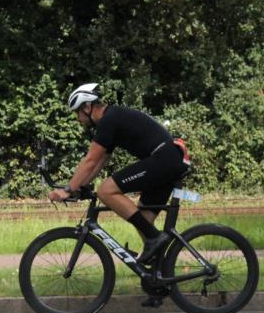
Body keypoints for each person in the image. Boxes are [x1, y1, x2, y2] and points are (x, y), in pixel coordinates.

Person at [49, 83, 191, 262]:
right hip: (169, 160)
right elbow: (99, 162)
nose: (78, 119)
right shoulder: (112, 118)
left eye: (77, 112)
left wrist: (68, 189)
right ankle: (160, 274)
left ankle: (155, 238)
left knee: (105, 190)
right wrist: (81, 186)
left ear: (87, 107)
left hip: (164, 159)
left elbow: (90, 160)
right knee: (143, 220)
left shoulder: (109, 120)